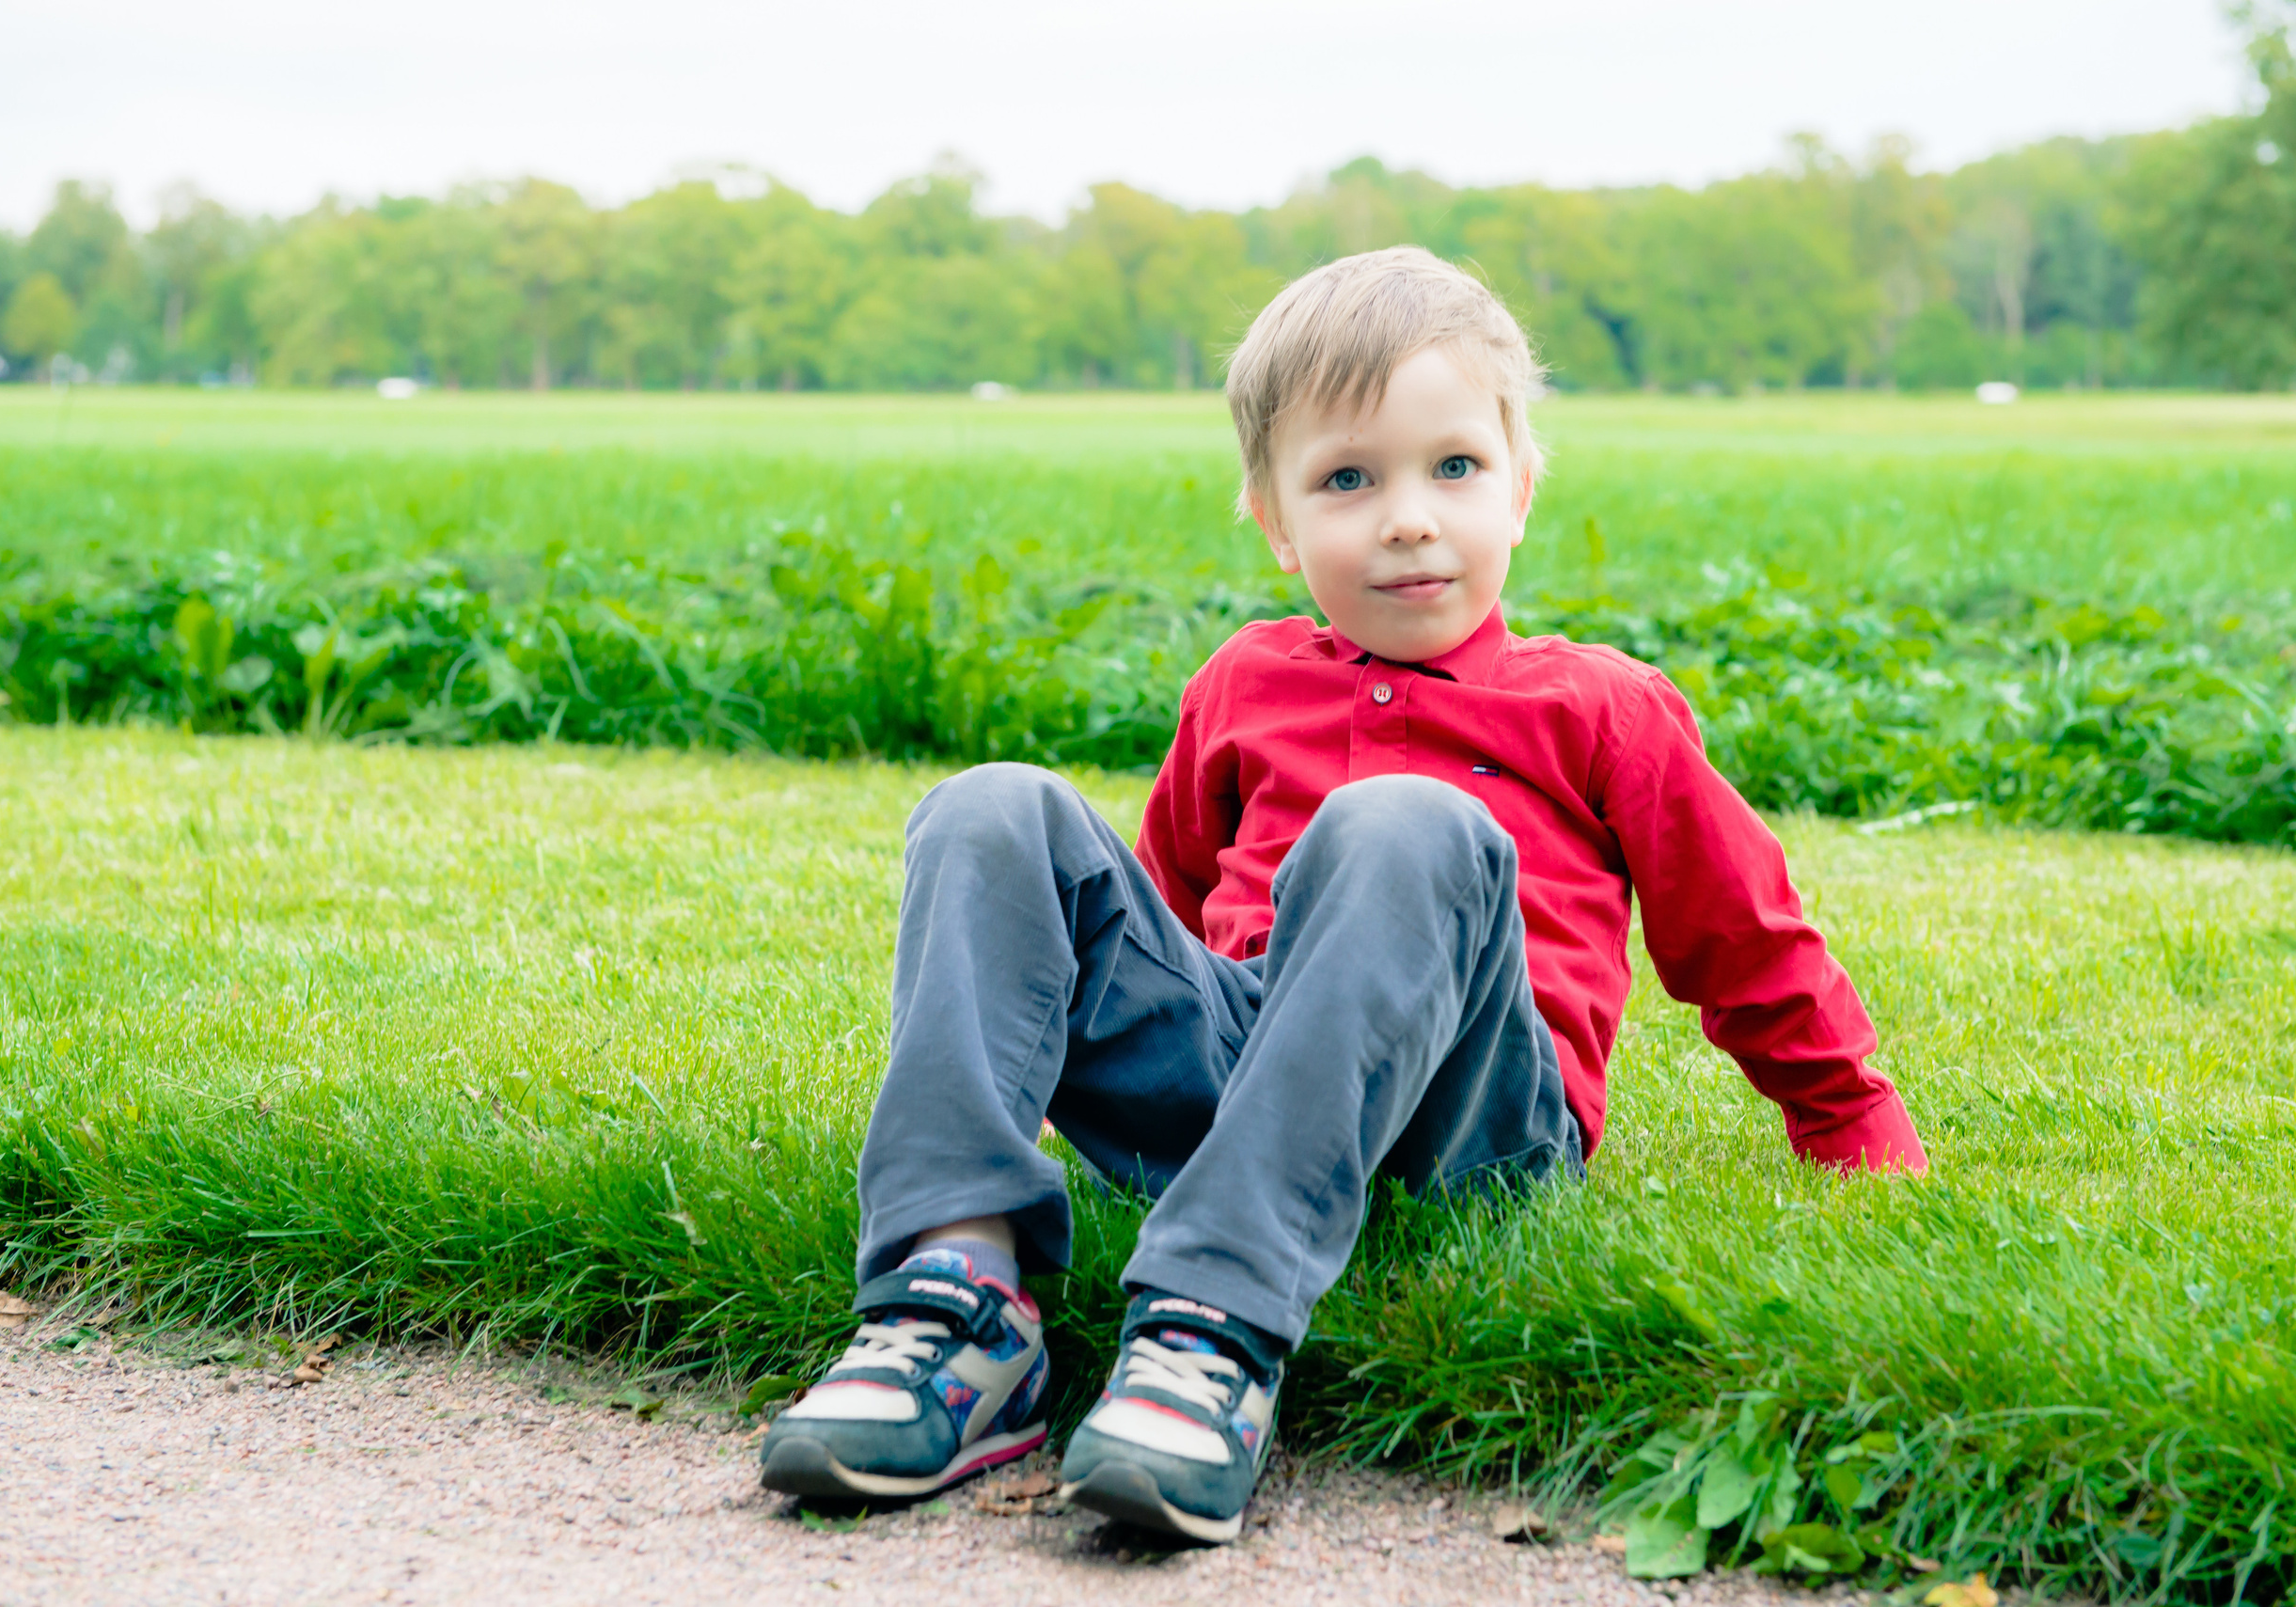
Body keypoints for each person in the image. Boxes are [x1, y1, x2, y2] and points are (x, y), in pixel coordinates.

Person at [757, 246, 1927, 1543]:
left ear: (1523, 486)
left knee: (1402, 824)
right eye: (1348, 479)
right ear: (1274, 517)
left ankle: (1211, 1327)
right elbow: (1159, 908)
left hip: (1473, 1130)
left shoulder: (1600, 706)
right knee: (989, 807)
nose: (1409, 516)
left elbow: (1743, 931)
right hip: (1241, 1070)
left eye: (1455, 468)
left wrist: (1850, 1115)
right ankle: (958, 1304)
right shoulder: (1245, 684)